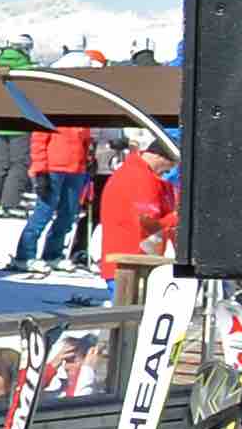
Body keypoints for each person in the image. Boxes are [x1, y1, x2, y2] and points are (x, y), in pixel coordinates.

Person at [11, 107, 97, 270]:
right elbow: (38, 142)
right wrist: (40, 170)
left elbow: (85, 140)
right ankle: (24, 255)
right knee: (44, 211)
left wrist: (89, 159)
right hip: (53, 169)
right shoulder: (51, 112)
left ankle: (53, 254)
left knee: (69, 214)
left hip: (76, 169)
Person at [94, 131, 179, 293]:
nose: (168, 173)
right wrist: (176, 218)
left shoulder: (149, 178)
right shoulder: (138, 178)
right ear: (160, 157)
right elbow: (147, 225)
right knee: (128, 316)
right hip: (129, 266)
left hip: (140, 265)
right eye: (169, 168)